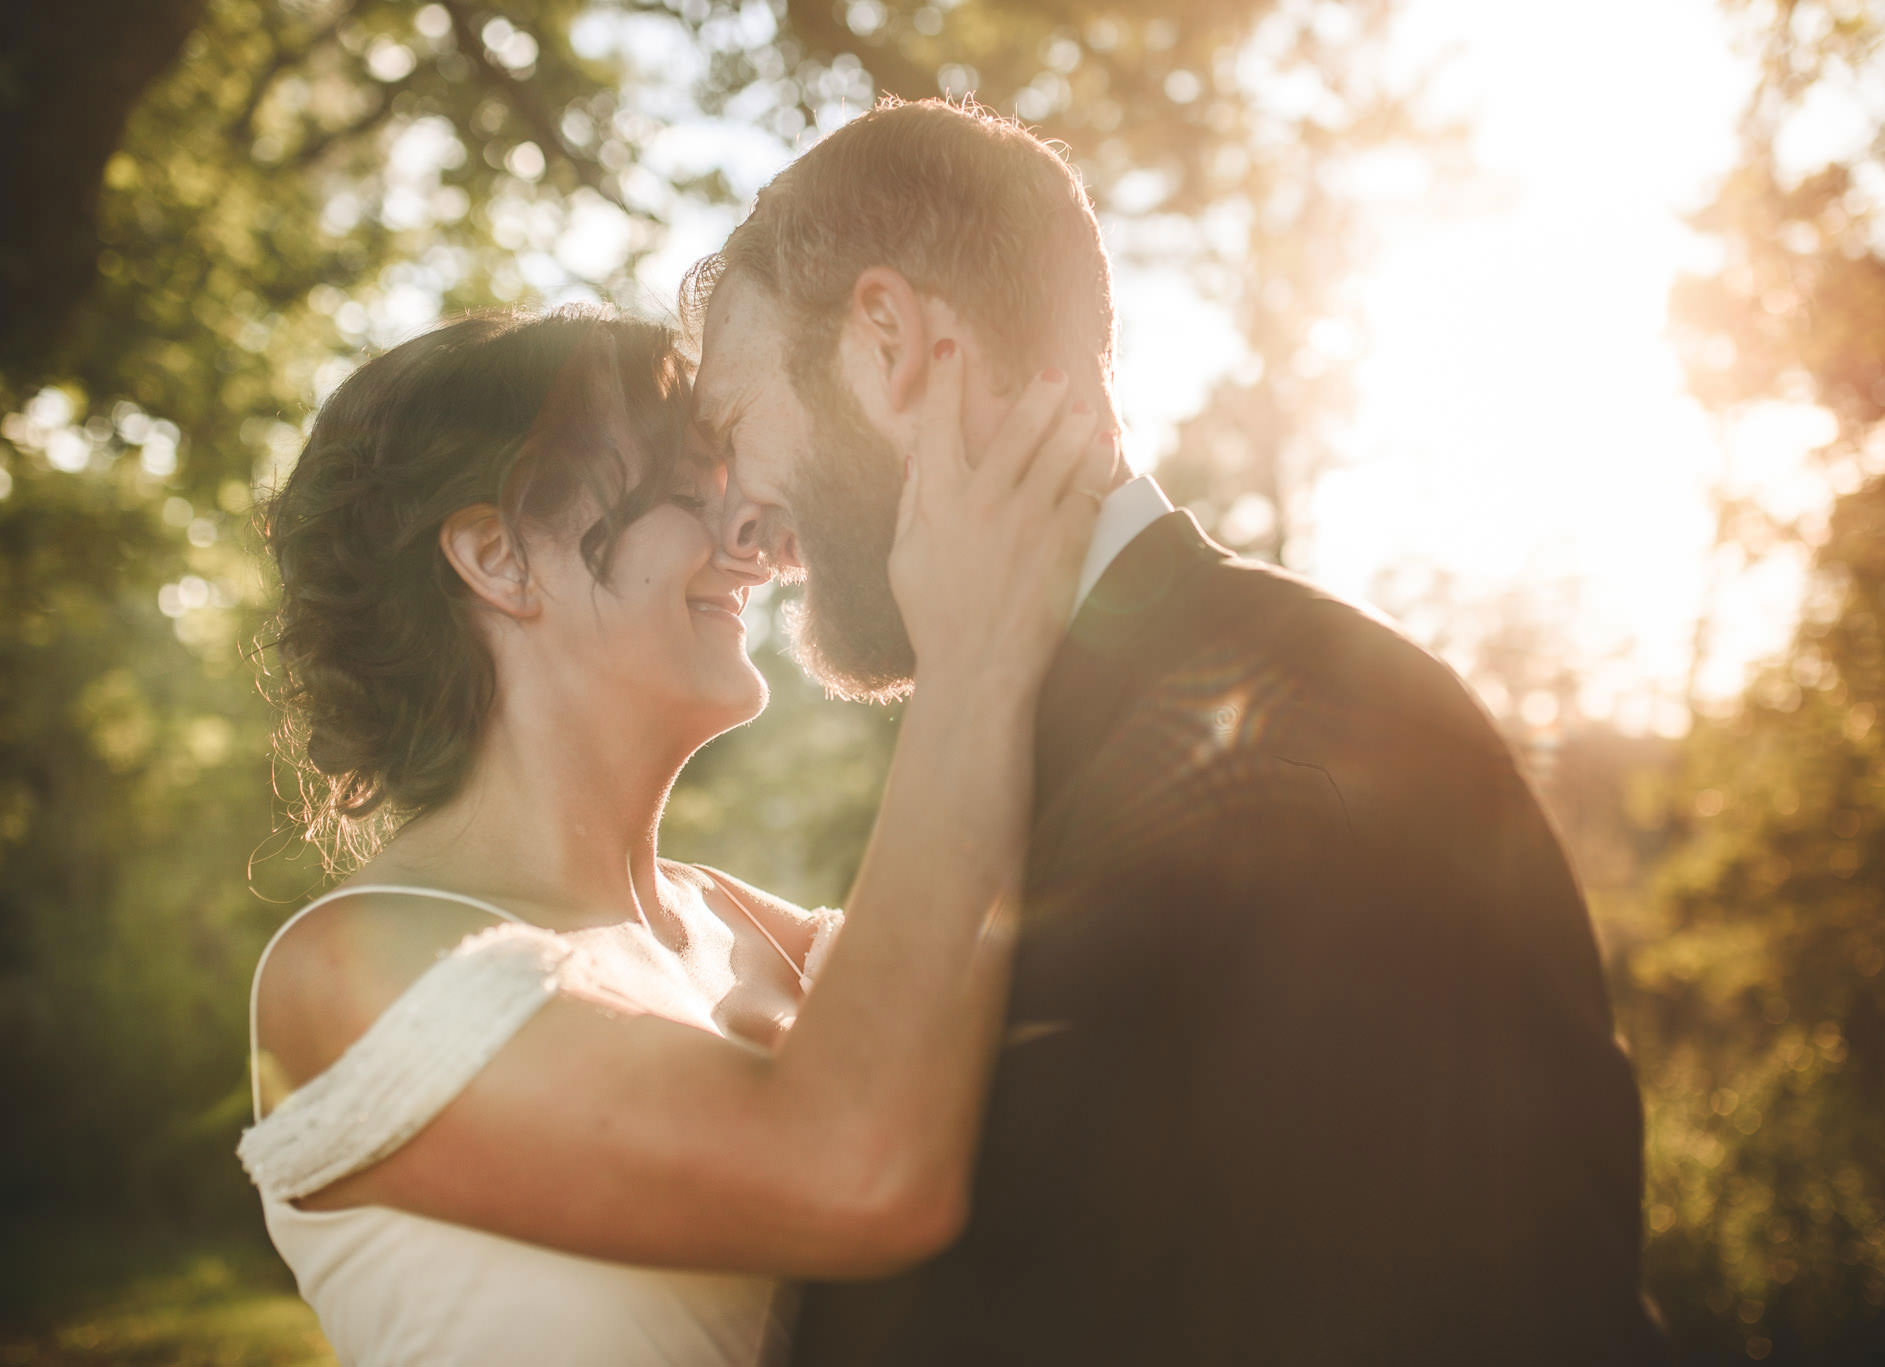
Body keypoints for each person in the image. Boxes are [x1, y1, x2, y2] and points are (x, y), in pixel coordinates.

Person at [685, 96, 1673, 1365]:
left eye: (730, 425)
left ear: (889, 343)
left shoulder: (1329, 731)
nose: (736, 520)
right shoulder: (996, 736)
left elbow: (1472, 1305)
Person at [238, 305, 1112, 1365]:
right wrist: (973, 653)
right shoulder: (351, 972)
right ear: (499, 553)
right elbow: (852, 1168)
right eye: (687, 482)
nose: (749, 536)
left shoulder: (749, 925)